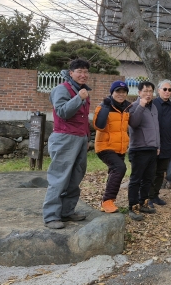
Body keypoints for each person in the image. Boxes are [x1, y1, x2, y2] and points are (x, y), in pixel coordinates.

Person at [42, 59, 92, 229]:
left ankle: (67, 211)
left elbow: (84, 120)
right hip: (64, 138)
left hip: (80, 139)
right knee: (59, 177)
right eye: (79, 71)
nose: (83, 74)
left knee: (75, 177)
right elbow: (62, 112)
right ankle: (51, 216)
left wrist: (87, 138)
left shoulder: (82, 91)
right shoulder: (61, 89)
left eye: (85, 71)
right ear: (71, 73)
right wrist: (78, 98)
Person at [93, 80, 131, 216]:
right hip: (104, 146)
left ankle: (106, 203)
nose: (121, 94)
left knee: (114, 171)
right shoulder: (104, 106)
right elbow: (98, 126)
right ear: (112, 93)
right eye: (117, 91)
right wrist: (104, 107)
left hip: (120, 147)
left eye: (123, 92)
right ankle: (107, 200)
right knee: (120, 168)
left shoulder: (127, 107)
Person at [127, 81, 161, 221]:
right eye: (145, 91)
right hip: (138, 149)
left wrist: (157, 145)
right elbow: (133, 123)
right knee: (136, 179)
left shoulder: (154, 108)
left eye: (150, 91)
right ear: (139, 92)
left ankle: (143, 202)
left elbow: (156, 128)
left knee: (148, 178)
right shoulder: (134, 106)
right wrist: (141, 105)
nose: (148, 94)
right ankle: (133, 206)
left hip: (152, 149)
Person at [150, 79, 171, 206]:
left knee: (160, 172)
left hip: (167, 143)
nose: (167, 92)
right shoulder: (152, 104)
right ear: (159, 90)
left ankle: (155, 196)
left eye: (169, 90)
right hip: (153, 143)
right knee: (151, 171)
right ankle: (148, 196)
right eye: (165, 89)